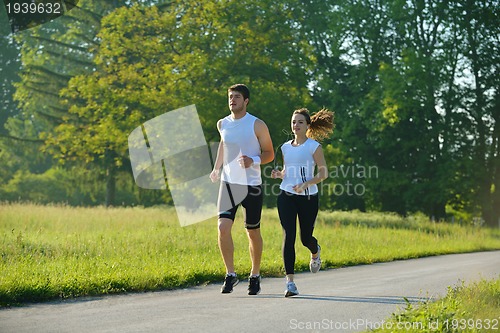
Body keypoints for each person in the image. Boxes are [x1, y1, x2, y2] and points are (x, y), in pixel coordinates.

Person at [210, 84, 274, 295]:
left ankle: (255, 275)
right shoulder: (223, 123)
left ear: (246, 101)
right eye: (230, 97)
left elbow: (269, 153)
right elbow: (223, 144)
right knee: (222, 228)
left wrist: (253, 160)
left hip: (252, 185)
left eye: (237, 97)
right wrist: (216, 168)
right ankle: (231, 274)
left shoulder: (257, 125)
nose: (232, 100)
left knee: (252, 231)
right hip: (229, 184)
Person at [271, 107, 334, 297]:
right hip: (286, 195)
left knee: (305, 238)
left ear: (307, 125)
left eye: (300, 122)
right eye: (293, 122)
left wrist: (307, 183)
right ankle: (290, 283)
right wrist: (279, 175)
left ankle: (315, 252)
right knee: (288, 235)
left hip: (308, 197)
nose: (295, 125)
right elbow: (287, 171)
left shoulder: (314, 147)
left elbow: (323, 173)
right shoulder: (285, 147)